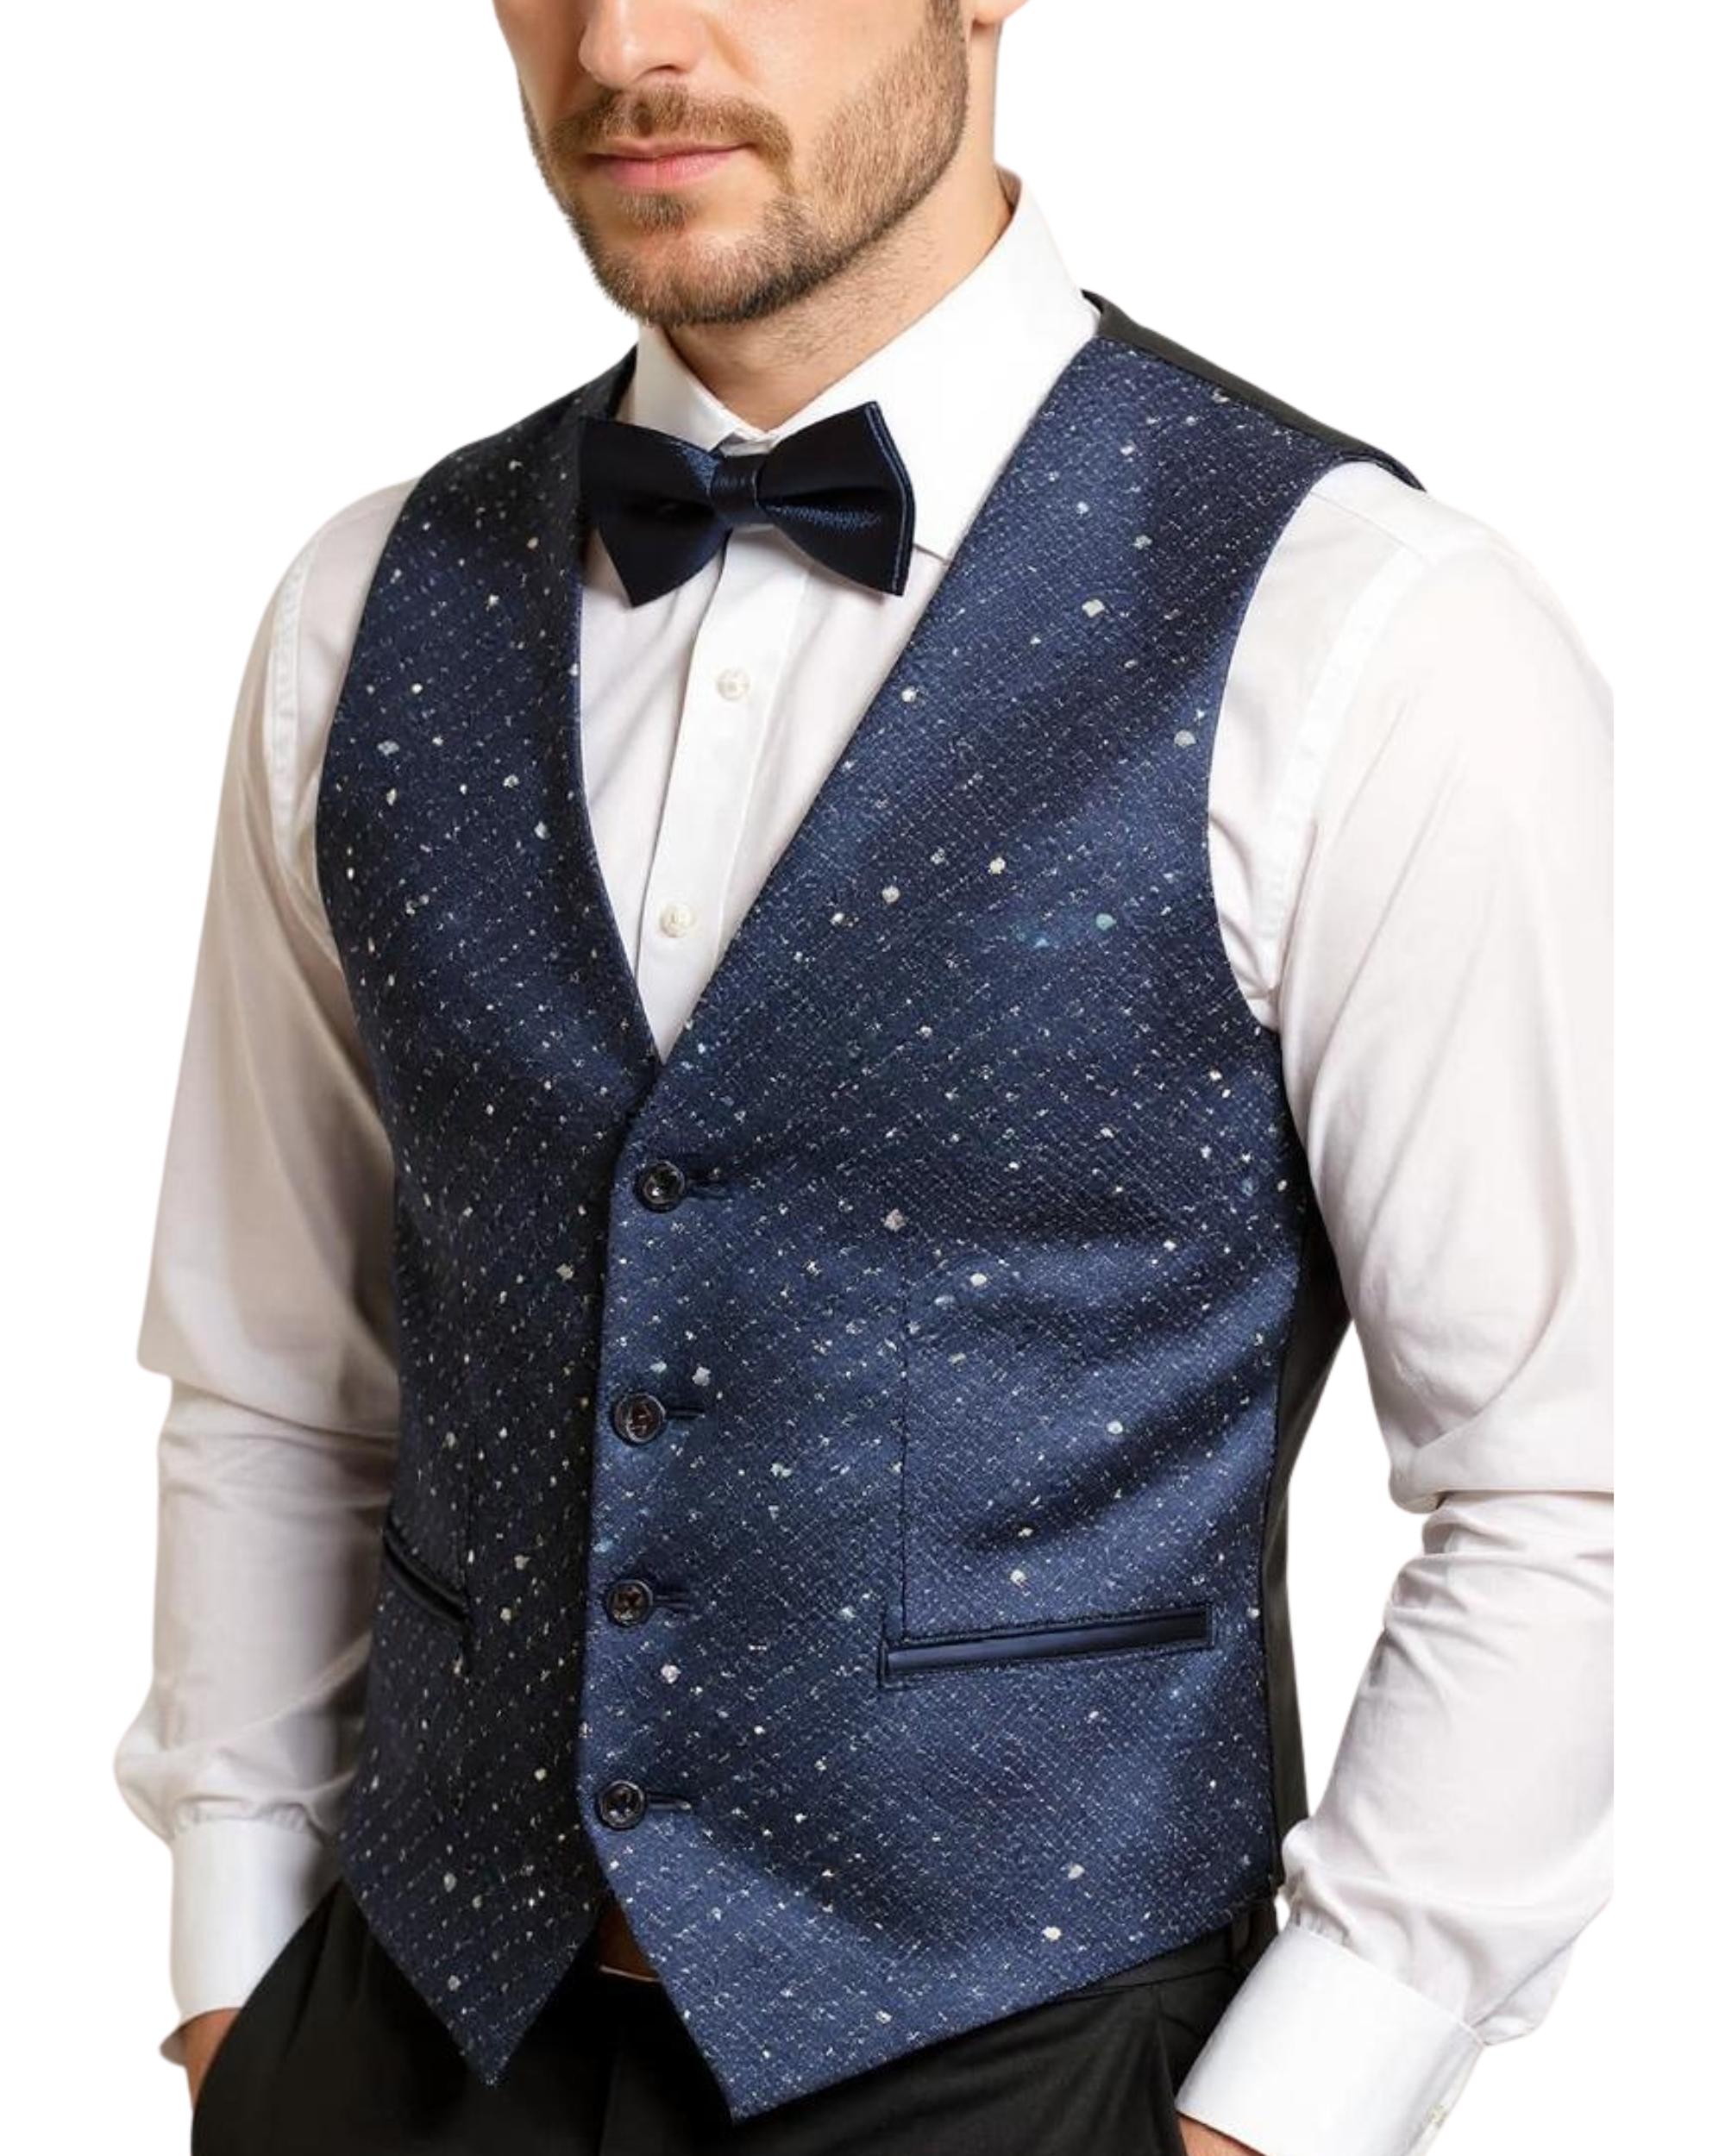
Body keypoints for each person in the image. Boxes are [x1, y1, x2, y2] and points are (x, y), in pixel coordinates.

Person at [113, 4, 1614, 2153]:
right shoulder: (367, 605)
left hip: (1040, 2057)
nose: (626, 40)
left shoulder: (1368, 630)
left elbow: (1568, 1477)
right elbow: (277, 1368)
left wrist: (1296, 2100)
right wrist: (237, 1985)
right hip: (405, 2032)